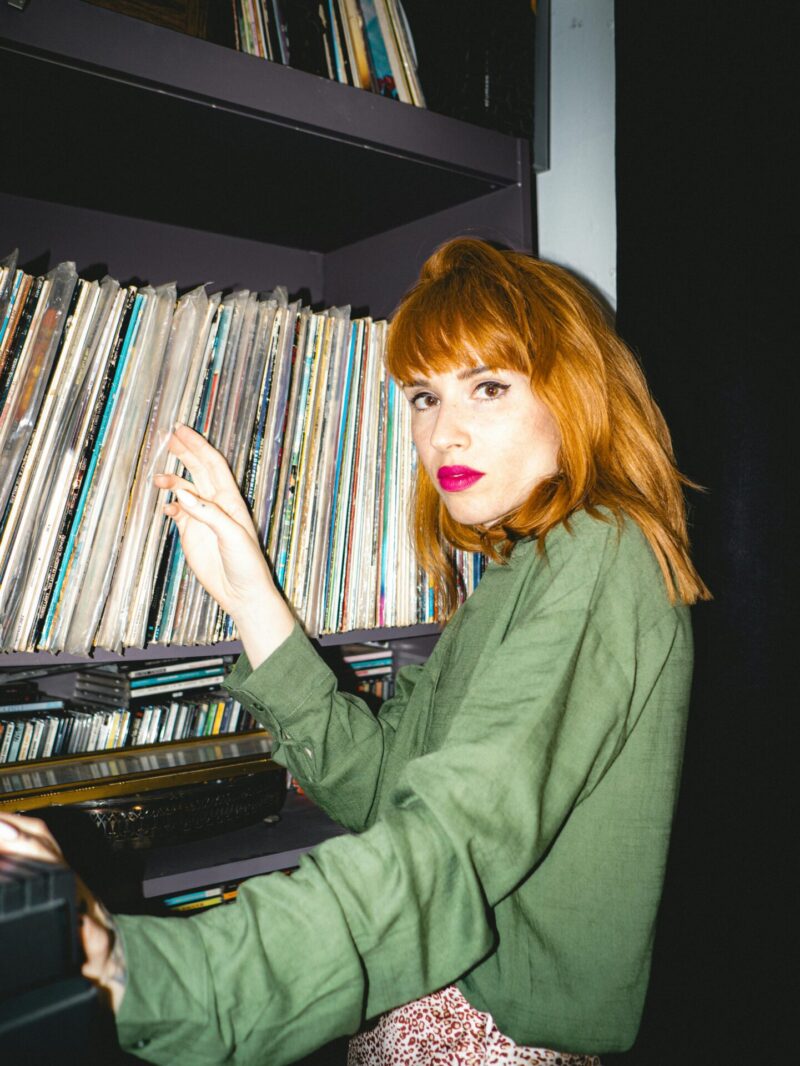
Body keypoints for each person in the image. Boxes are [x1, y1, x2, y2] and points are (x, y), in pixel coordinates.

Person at [0, 238, 709, 1065]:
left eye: (488, 388)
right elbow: (384, 792)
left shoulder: (601, 555)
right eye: (422, 396)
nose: (444, 432)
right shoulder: (528, 569)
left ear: (576, 393)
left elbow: (450, 845)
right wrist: (251, 595)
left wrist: (148, 973)